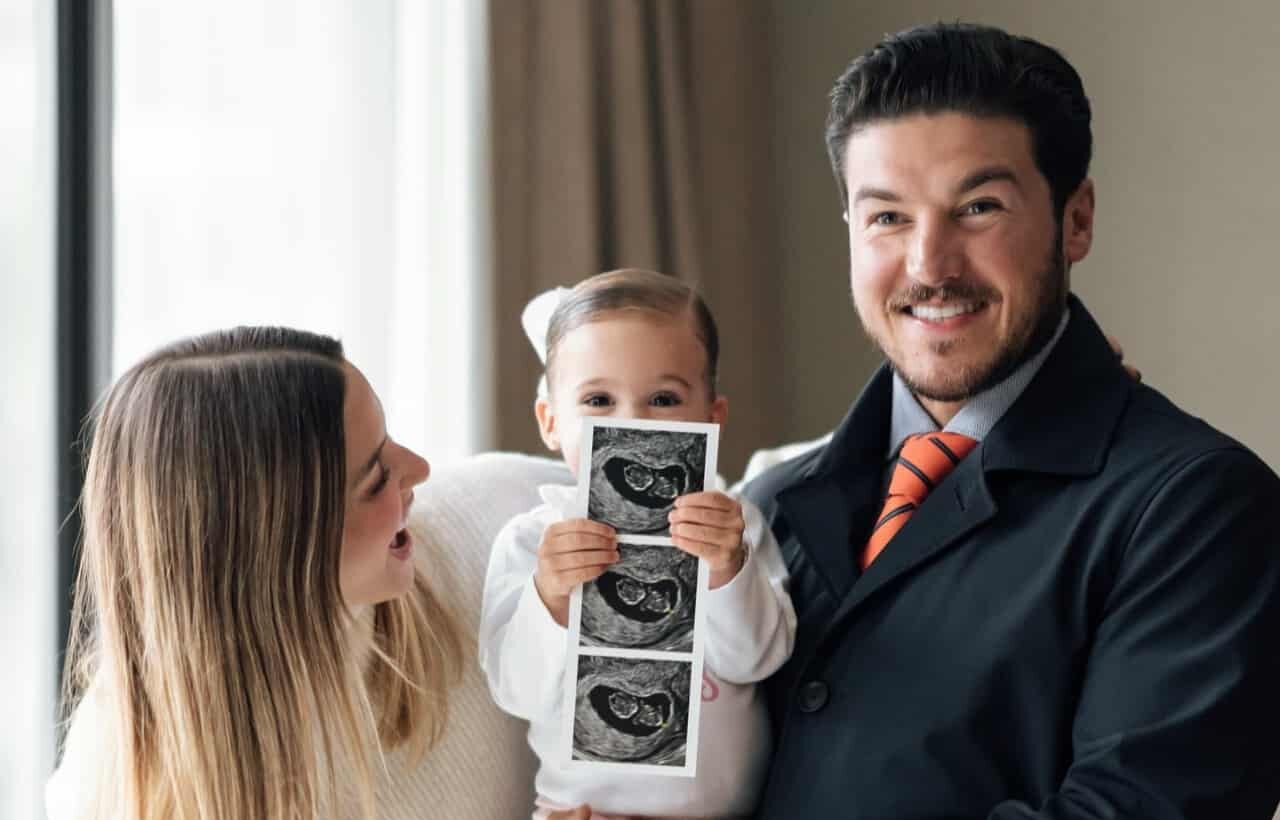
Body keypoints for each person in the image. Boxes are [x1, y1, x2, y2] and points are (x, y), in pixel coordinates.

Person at [742, 22, 1280, 819]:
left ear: (1077, 220)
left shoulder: (1197, 509)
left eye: (979, 207)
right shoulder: (767, 510)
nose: (930, 265)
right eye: (887, 217)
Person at [47, 327, 464, 820]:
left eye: (390, 442)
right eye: (375, 479)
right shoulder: (104, 787)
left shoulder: (502, 534)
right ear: (275, 554)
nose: (419, 467)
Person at [479, 269, 796, 819]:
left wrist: (726, 570)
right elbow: (516, 691)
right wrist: (549, 599)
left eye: (664, 399)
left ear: (712, 418)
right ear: (551, 423)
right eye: (599, 399)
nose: (633, 422)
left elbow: (756, 659)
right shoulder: (534, 542)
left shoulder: (731, 527)